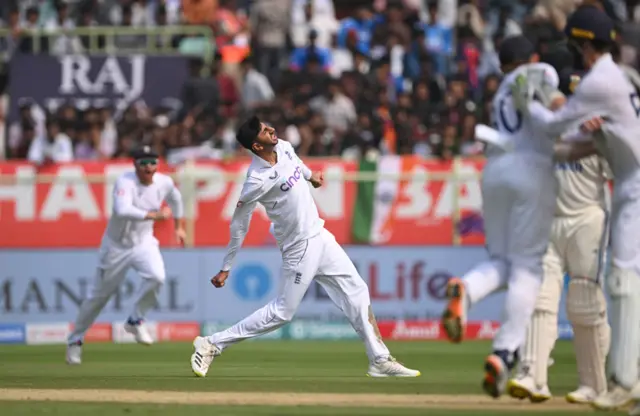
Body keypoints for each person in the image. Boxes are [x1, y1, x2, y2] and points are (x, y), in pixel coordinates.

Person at [190, 116, 420, 378]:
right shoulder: (256, 180)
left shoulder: (284, 147)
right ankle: (211, 344)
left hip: (319, 235)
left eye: (268, 126)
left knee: (357, 290)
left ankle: (379, 359)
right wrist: (226, 266)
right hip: (298, 247)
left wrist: (311, 177)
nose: (271, 129)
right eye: (265, 131)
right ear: (256, 146)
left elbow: (297, 164)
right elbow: (239, 226)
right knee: (283, 313)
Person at [439, 35, 597, 398]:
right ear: (534, 56)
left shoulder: (502, 91)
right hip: (530, 173)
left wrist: (587, 142)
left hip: (495, 170)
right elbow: (554, 105)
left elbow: (547, 138)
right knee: (528, 268)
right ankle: (505, 351)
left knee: (504, 262)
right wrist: (579, 118)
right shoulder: (539, 71)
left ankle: (466, 289)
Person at [509, 6, 640, 410]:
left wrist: (526, 102)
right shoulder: (616, 81)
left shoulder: (599, 85)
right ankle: (534, 374)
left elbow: (558, 130)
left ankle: (612, 381)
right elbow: (560, 143)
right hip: (563, 214)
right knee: (547, 298)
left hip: (603, 208)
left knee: (605, 293)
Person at [507, 66, 612, 405]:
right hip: (547, 223)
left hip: (587, 220)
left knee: (584, 304)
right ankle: (532, 376)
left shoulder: (598, 130)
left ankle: (595, 385)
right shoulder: (541, 130)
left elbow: (623, 169)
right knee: (540, 301)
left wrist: (603, 137)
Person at [66, 146, 186, 365]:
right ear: (135, 165)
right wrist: (154, 215)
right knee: (98, 298)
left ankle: (135, 319)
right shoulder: (125, 182)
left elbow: (177, 200)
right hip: (115, 247)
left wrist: (179, 227)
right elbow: (122, 210)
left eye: (152, 162)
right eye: (143, 163)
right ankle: (75, 340)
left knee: (157, 277)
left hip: (143, 243)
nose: (149, 167)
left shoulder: (164, 182)